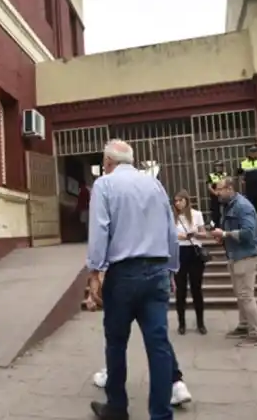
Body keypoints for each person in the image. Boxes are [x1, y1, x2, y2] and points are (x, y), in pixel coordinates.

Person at [86, 139, 178, 420]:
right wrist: (172, 268)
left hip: (123, 274)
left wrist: (95, 272)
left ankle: (117, 407)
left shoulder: (105, 184)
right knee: (158, 344)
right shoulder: (155, 184)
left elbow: (100, 229)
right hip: (157, 270)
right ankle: (161, 415)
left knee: (116, 342)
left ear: (108, 162)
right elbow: (170, 228)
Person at [210, 177, 257, 346]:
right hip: (235, 254)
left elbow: (248, 233)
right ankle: (243, 325)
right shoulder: (230, 205)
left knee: (246, 294)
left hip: (245, 255)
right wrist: (223, 237)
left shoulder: (242, 206)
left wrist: (225, 234)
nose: (217, 193)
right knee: (240, 294)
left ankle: (255, 333)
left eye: (219, 189)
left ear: (230, 188)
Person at [172, 190, 207, 335]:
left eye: (180, 200)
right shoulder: (172, 217)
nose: (177, 203)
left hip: (194, 251)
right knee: (180, 290)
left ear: (186, 200)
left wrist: (195, 234)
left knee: (196, 288)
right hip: (179, 252)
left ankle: (200, 323)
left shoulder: (196, 214)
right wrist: (179, 236)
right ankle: (181, 323)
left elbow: (204, 233)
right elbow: (168, 234)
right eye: (175, 201)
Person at [206, 161, 226, 229]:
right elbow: (209, 187)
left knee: (225, 211)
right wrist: (216, 193)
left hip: (223, 196)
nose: (218, 168)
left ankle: (223, 226)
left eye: (220, 166)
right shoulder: (212, 175)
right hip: (215, 197)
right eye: (217, 166)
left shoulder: (224, 175)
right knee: (215, 214)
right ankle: (213, 226)